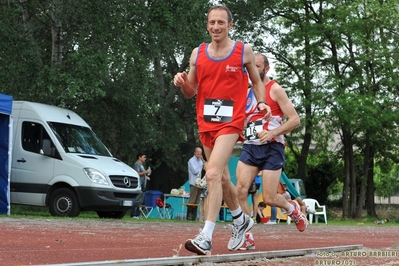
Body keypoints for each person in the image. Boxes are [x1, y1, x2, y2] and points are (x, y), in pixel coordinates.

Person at [173, 5, 271, 255]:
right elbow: (190, 91)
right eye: (211, 22)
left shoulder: (242, 51)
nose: (216, 27)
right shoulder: (198, 53)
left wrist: (260, 102)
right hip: (206, 122)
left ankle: (205, 237)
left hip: (232, 120)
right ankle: (240, 220)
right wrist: (183, 82)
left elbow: (257, 83)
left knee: (213, 171)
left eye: (221, 22)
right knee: (223, 178)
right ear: (207, 25)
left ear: (230, 25)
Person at [235, 53, 306, 244]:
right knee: (240, 190)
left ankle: (292, 209)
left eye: (256, 66)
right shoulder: (247, 91)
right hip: (250, 147)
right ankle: (246, 235)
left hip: (272, 148)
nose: (252, 70)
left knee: (269, 197)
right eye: (250, 66)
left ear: (266, 69)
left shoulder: (275, 89)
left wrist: (272, 133)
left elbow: (295, 119)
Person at [131, 152, 152, 218]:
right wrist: (146, 172)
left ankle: (137, 214)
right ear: (139, 157)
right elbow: (137, 173)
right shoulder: (137, 164)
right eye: (144, 157)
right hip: (139, 185)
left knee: (140, 201)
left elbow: (141, 175)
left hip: (143, 185)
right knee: (137, 200)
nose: (145, 158)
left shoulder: (141, 165)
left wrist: (146, 177)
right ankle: (134, 214)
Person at [187, 146, 206, 220]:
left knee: (197, 200)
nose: (199, 154)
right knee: (192, 199)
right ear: (194, 152)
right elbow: (195, 171)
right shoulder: (191, 161)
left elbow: (204, 167)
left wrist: (203, 161)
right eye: (198, 152)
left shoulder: (200, 161)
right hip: (194, 182)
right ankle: (189, 216)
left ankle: (194, 216)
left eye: (200, 153)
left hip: (199, 183)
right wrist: (201, 166)